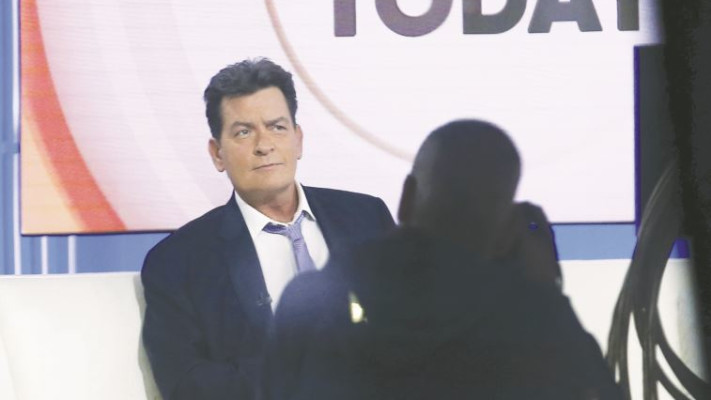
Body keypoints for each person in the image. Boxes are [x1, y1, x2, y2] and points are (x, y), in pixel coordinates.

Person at [264, 120, 621, 399]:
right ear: (504, 231)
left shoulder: (310, 304)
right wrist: (547, 292)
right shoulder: (533, 325)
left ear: (406, 198)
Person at [141, 58, 394, 400]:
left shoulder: (367, 218)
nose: (264, 145)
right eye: (243, 132)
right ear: (217, 154)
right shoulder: (178, 261)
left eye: (277, 127)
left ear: (298, 140)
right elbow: (185, 383)